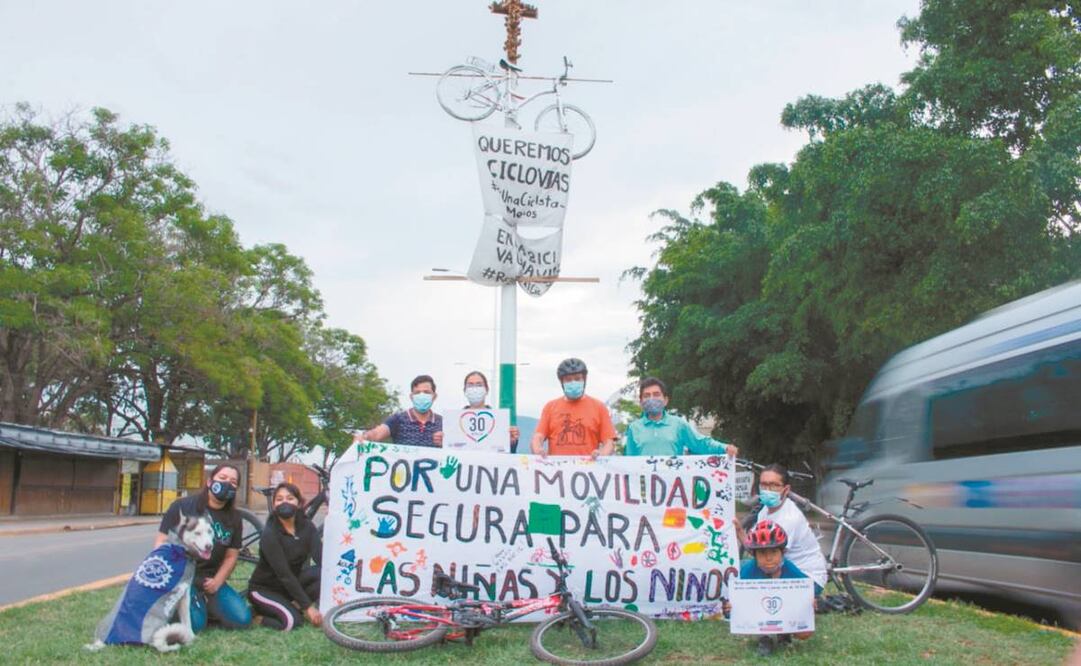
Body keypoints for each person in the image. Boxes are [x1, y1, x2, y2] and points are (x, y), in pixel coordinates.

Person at [154, 463, 252, 631]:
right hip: (182, 577)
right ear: (209, 482)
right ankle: (184, 606)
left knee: (242, 619)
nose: (227, 483)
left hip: (210, 578)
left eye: (233, 482)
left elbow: (231, 556)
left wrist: (218, 581)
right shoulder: (182, 507)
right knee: (196, 626)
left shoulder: (234, 518)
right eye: (222, 478)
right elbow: (160, 544)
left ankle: (203, 604)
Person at [724, 520, 814, 656]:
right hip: (758, 613)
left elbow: (805, 591)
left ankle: (784, 633)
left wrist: (811, 602)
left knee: (804, 632)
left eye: (774, 552)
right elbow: (737, 603)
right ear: (754, 556)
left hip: (784, 610)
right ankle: (764, 638)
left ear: (782, 553)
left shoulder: (790, 569)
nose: (768, 558)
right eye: (762, 553)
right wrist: (731, 608)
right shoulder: (748, 570)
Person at [247, 482, 323, 631]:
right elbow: (285, 575)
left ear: (299, 503)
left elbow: (321, 558)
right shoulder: (270, 534)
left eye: (290, 498)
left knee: (323, 573)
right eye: (279, 499)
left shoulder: (307, 527)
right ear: (274, 505)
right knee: (293, 622)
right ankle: (256, 615)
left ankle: (292, 605)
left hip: (289, 587)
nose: (285, 502)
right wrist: (308, 607)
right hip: (264, 590)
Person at [755, 463, 828, 595]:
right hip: (784, 570)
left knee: (754, 567)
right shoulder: (764, 511)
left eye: (774, 485)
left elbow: (770, 559)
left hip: (807, 579)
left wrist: (741, 534)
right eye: (763, 485)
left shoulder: (789, 518)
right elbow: (758, 547)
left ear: (786, 489)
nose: (767, 490)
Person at [623, 377, 739, 458]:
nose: (652, 398)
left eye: (656, 394)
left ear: (666, 400)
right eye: (647, 396)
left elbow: (700, 443)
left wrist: (724, 448)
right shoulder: (633, 428)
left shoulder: (678, 424)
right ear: (641, 402)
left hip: (674, 488)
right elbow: (629, 462)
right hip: (644, 489)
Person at [530, 358, 617, 458]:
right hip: (556, 470)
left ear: (584, 379)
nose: (573, 382)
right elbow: (538, 437)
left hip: (589, 470)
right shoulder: (550, 407)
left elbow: (609, 442)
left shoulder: (599, 407)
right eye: (568, 379)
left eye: (577, 378)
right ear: (561, 382)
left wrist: (601, 455)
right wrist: (538, 450)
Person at [358, 374, 444, 447]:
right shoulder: (398, 419)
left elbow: (455, 448)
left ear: (434, 396)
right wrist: (364, 436)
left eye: (426, 392)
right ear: (411, 397)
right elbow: (377, 434)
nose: (422, 395)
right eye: (417, 393)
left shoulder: (444, 423)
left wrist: (446, 442)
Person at [462, 370, 520, 451]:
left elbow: (507, 453)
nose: (474, 389)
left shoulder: (499, 421)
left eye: (479, 385)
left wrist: (512, 442)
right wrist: (440, 443)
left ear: (487, 390)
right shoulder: (454, 422)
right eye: (470, 385)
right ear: (464, 390)